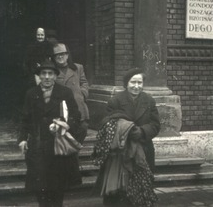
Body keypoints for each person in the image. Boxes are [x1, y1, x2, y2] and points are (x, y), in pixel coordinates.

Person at [18, 59, 82, 207]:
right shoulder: (31, 93)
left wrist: (66, 125)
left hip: (57, 146)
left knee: (57, 187)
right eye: (44, 73)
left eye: (50, 74)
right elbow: (24, 119)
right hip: (38, 146)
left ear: (55, 76)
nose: (47, 77)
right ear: (39, 76)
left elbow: (76, 116)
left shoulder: (65, 92)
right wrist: (22, 139)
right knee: (39, 187)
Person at [92, 67, 160, 206]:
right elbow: (107, 123)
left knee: (142, 189)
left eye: (139, 82)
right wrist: (125, 130)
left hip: (143, 149)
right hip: (120, 154)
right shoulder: (115, 101)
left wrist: (142, 131)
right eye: (133, 82)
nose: (136, 86)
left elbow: (155, 124)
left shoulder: (149, 100)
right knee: (119, 192)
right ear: (126, 83)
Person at [51, 43, 89, 144]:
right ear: (54, 57)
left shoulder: (78, 68)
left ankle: (74, 152)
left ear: (67, 55)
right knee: (63, 134)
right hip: (60, 109)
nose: (60, 56)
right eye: (57, 54)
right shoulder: (52, 71)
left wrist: (82, 94)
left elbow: (84, 82)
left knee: (82, 129)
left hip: (78, 106)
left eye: (62, 54)